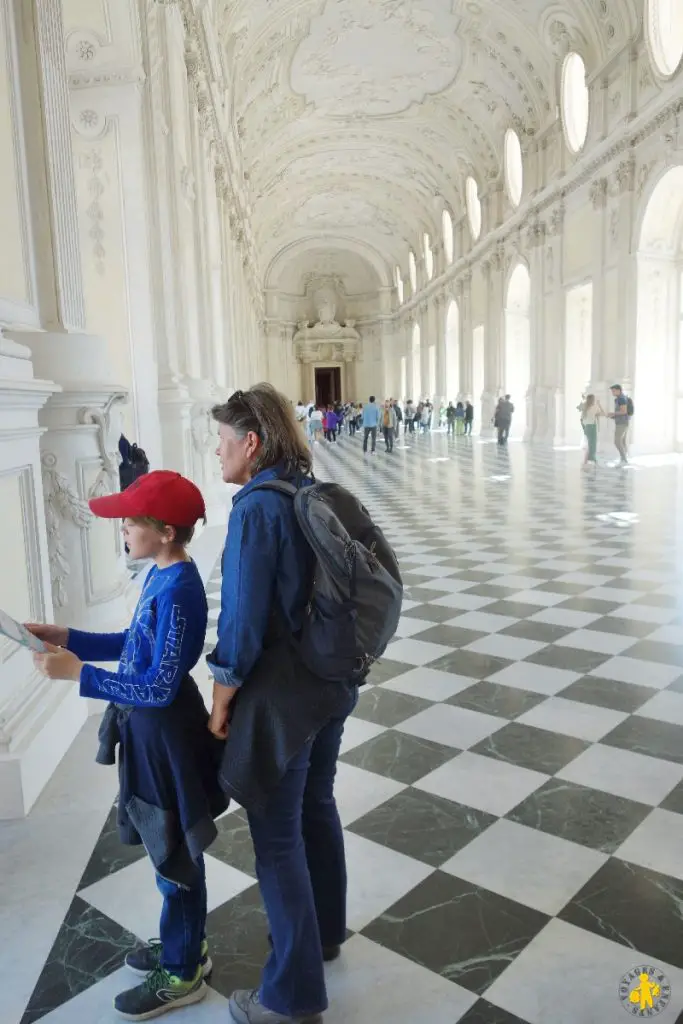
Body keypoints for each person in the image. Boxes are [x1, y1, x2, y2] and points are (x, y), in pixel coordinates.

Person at [28, 471, 225, 1021]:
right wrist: (67, 637)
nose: (123, 529)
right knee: (167, 850)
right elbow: (131, 643)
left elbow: (160, 686)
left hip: (165, 739)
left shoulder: (181, 588)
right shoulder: (160, 575)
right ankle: (188, 945)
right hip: (147, 734)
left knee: (173, 852)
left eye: (131, 522)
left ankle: (183, 972)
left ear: (164, 531)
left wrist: (80, 676)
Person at [207, 384, 358, 1024]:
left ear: (251, 443)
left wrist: (220, 699)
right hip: (331, 685)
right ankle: (324, 935)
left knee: (276, 838)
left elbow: (240, 625)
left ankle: (291, 999)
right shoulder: (306, 490)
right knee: (317, 805)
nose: (215, 454)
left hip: (286, 699)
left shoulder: (255, 509)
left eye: (220, 442)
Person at [578, 393, 605, 467]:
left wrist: (583, 399)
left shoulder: (584, 406)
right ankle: (590, 460)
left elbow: (579, 411)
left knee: (589, 444)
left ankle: (587, 460)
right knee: (592, 444)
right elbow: (603, 413)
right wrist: (599, 404)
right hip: (592, 427)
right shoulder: (595, 407)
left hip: (586, 427)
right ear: (593, 399)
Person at [608, 384, 631, 466]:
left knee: (617, 441)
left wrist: (613, 413)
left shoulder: (621, 398)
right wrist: (613, 415)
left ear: (619, 390)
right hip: (623, 422)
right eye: (612, 391)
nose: (612, 392)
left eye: (613, 390)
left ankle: (624, 459)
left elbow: (624, 411)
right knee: (622, 441)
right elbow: (622, 412)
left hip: (622, 423)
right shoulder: (619, 399)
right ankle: (625, 458)